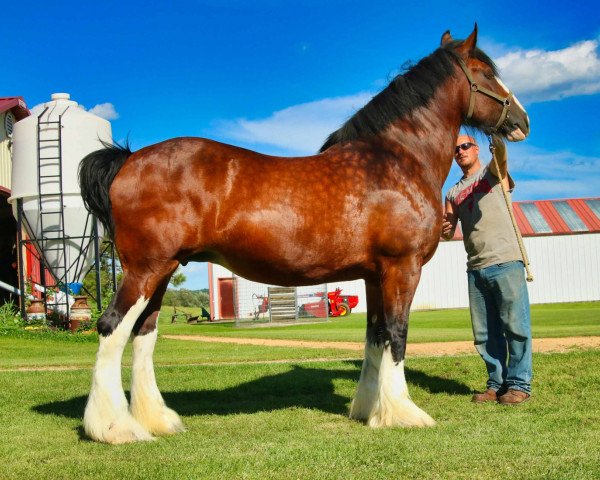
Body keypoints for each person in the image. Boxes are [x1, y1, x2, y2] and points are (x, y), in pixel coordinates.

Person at [442, 134, 532, 405]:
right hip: (476, 268)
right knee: (485, 335)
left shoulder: (492, 172)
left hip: (506, 261)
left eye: (465, 146)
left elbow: (501, 157)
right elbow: (446, 232)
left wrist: (498, 138)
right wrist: (444, 228)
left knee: (515, 327)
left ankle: (518, 385)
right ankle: (496, 385)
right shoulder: (453, 192)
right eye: (455, 149)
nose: (460, 151)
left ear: (477, 148)